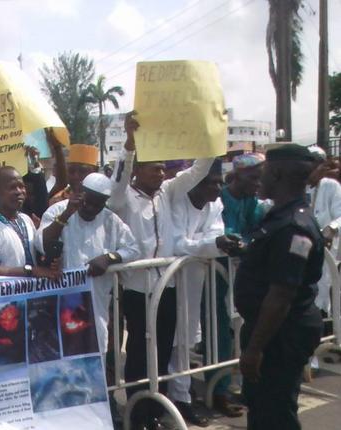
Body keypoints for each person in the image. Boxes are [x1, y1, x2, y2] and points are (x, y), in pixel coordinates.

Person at [107, 112, 215, 429]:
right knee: (140, 352)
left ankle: (158, 409)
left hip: (166, 286)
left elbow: (199, 170)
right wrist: (129, 143)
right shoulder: (124, 197)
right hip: (137, 289)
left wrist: (211, 135)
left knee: (164, 347)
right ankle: (138, 413)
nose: (161, 172)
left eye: (163, 168)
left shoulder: (168, 192)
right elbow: (118, 182)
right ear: (138, 169)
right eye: (154, 167)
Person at [234, 144, 324, 430]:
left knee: (276, 413)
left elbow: (280, 296)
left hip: (280, 334)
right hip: (272, 329)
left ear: (280, 174)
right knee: (262, 409)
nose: (260, 179)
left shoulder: (293, 227)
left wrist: (254, 350)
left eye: (265, 172)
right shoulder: (279, 217)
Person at [166, 160, 241, 427]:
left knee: (184, 340)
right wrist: (210, 245)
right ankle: (173, 397)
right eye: (213, 182)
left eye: (221, 182)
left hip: (195, 280)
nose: (218, 188)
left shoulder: (215, 206)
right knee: (168, 341)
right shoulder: (175, 201)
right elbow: (175, 243)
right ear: (196, 181)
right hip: (168, 281)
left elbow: (213, 236)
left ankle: (182, 396)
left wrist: (215, 244)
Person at [37, 172, 139, 353]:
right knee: (60, 354)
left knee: (94, 355)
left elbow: (133, 249)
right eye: (87, 201)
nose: (91, 208)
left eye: (97, 204)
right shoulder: (58, 210)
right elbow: (42, 243)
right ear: (80, 193)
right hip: (61, 299)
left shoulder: (110, 220)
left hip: (95, 302)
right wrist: (67, 213)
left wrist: (109, 258)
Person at [209, 151, 267, 417]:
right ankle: (218, 391)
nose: (258, 182)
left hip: (243, 276)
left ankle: (244, 386)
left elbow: (257, 231)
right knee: (219, 333)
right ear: (239, 175)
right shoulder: (220, 199)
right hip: (216, 275)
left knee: (245, 331)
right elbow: (221, 233)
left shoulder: (254, 202)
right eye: (254, 177)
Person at [0, 166, 60, 279]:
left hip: (35, 294)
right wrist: (30, 271)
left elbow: (37, 257)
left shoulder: (26, 219)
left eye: (21, 186)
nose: (19, 192)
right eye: (12, 187)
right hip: (8, 295)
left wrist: (48, 262)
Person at [305, 146, 341, 314]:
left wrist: (331, 228)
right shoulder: (297, 185)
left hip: (325, 249)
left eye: (317, 164)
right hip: (302, 248)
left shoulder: (330, 186)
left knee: (323, 287)